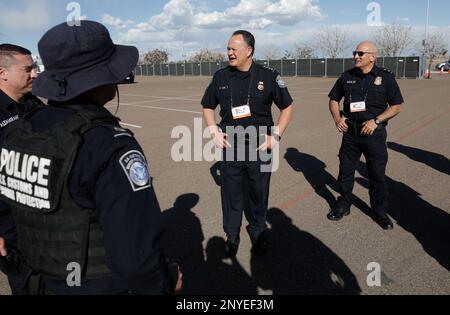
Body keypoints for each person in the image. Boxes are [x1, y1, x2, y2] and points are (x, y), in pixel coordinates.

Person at [0, 20, 181, 294]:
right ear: (101, 77)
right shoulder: (109, 144)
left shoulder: (22, 128)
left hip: (33, 280)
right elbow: (135, 255)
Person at [201, 30, 294, 258]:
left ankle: (258, 232)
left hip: (260, 146)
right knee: (231, 194)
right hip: (230, 146)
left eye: (234, 49)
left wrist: (276, 136)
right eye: (228, 48)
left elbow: (287, 107)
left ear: (249, 50)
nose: (229, 53)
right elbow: (207, 106)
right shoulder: (221, 77)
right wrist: (213, 130)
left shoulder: (269, 76)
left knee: (258, 192)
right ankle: (231, 235)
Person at [327, 41, 404, 230]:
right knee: (345, 172)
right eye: (355, 52)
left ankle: (379, 211)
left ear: (372, 56)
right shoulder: (346, 77)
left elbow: (396, 106)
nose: (356, 56)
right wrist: (338, 119)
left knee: (376, 174)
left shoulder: (385, 78)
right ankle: (344, 204)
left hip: (374, 135)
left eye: (361, 53)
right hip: (350, 134)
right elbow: (333, 99)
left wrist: (376, 120)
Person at [0, 43, 41, 294]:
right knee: (25, 284)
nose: (34, 74)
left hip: (39, 216)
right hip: (9, 225)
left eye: (34, 68)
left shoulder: (32, 103)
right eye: (28, 69)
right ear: (2, 73)